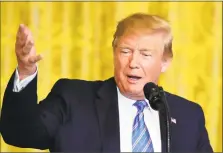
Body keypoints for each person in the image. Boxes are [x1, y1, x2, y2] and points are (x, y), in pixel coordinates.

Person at [0, 13, 213, 152]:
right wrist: (26, 71)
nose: (133, 63)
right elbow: (18, 132)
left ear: (165, 62)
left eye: (145, 54)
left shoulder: (188, 116)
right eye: (125, 51)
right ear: (114, 53)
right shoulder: (74, 99)